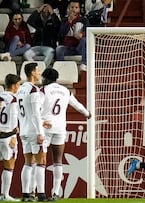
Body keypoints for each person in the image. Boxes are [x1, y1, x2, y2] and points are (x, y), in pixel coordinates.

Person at [39, 68, 91, 200]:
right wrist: (87, 114)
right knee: (58, 160)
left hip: (45, 127)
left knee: (40, 161)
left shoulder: (43, 90)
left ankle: (40, 192)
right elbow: (77, 105)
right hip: (60, 128)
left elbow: (36, 109)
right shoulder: (65, 91)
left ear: (46, 78)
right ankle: (56, 192)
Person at [16, 62, 49, 202]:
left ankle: (26, 194)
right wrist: (40, 132)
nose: (40, 72)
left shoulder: (21, 89)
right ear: (32, 73)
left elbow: (24, 113)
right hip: (34, 131)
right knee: (41, 161)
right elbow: (35, 113)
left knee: (28, 162)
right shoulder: (34, 90)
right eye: (38, 70)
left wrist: (41, 122)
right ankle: (41, 194)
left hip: (24, 130)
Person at [0, 74, 21, 202]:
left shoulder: (0, 96)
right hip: (8, 136)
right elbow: (13, 117)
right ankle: (5, 195)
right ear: (13, 86)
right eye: (18, 85)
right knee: (9, 165)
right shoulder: (14, 99)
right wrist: (14, 135)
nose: (19, 87)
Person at [23, 3, 61, 68]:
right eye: (44, 10)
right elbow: (29, 21)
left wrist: (52, 13)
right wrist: (38, 10)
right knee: (26, 54)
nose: (45, 12)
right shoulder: (38, 20)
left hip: (48, 47)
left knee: (51, 53)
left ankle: (42, 68)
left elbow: (58, 25)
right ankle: (35, 68)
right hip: (36, 46)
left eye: (47, 11)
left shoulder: (53, 20)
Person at [56, 0, 89, 71]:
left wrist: (82, 34)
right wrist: (69, 22)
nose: (74, 9)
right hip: (68, 48)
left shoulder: (84, 20)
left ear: (79, 9)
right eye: (72, 7)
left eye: (76, 7)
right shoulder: (64, 20)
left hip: (79, 47)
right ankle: (60, 69)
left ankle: (84, 64)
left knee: (84, 40)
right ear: (69, 8)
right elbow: (61, 34)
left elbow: (88, 31)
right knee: (59, 49)